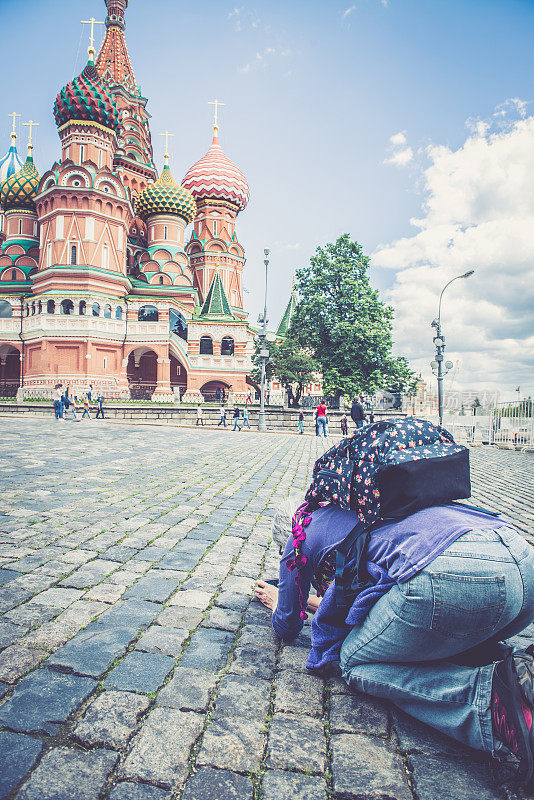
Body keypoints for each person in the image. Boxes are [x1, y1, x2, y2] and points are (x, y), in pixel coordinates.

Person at [255, 492, 534, 787]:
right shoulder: (362, 509)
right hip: (521, 565)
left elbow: (287, 625)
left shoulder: (299, 536)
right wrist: (314, 602)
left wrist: (279, 601)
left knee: (351, 659)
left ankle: (495, 705)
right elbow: (377, 597)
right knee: (421, 628)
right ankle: (517, 669)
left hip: (455, 578)